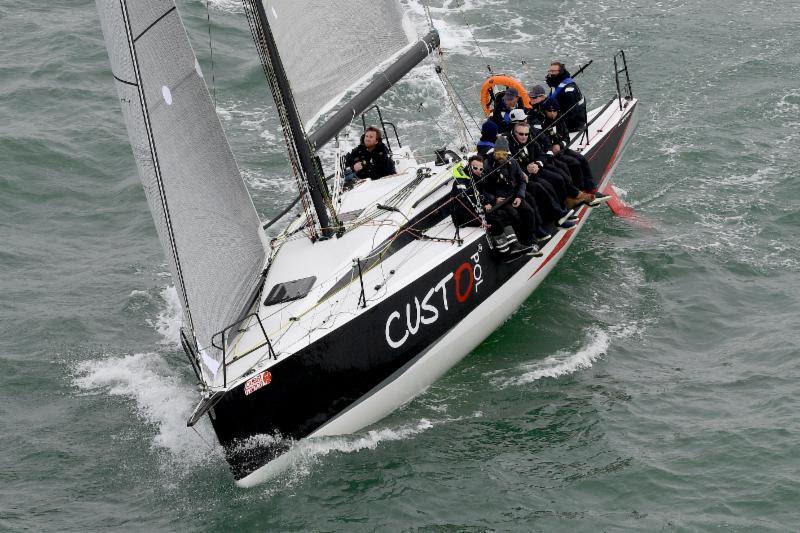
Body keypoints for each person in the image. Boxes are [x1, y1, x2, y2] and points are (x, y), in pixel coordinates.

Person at [450, 155, 531, 255]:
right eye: (475, 168)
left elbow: (482, 194)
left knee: (502, 213)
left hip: (477, 211)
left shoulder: (477, 179)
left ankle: (515, 245)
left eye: (480, 169)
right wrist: (479, 217)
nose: (478, 171)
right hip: (464, 217)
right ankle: (505, 253)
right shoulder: (460, 183)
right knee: (495, 220)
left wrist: (488, 202)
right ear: (468, 167)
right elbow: (463, 206)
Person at [508, 121, 581, 226]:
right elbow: (509, 167)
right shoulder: (509, 146)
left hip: (537, 170)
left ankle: (563, 209)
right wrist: (525, 169)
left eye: (526, 134)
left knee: (559, 178)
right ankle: (558, 217)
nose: (524, 137)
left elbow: (542, 155)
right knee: (545, 187)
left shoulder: (530, 140)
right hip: (524, 177)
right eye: (521, 134)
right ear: (514, 133)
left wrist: (537, 164)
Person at [482, 136, 549, 245]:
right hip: (500, 200)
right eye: (498, 154)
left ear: (507, 153)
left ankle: (531, 236)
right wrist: (494, 199)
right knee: (514, 215)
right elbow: (482, 188)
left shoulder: (512, 162)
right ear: (494, 153)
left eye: (503, 154)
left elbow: (522, 181)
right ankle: (522, 241)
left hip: (512, 195)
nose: (500, 157)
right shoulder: (487, 166)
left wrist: (519, 196)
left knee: (529, 210)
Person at [540, 99, 609, 205]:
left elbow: (567, 138)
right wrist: (551, 149)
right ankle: (581, 194)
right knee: (573, 163)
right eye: (549, 111)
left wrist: (560, 145)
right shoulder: (542, 124)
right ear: (545, 111)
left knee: (582, 159)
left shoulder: (560, 120)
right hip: (553, 154)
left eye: (554, 110)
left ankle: (591, 190)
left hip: (562, 149)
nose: (552, 113)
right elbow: (541, 142)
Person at [545, 61, 587, 132]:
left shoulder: (569, 90)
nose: (551, 73)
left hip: (572, 125)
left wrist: (553, 124)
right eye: (550, 71)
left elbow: (571, 112)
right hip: (561, 118)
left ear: (560, 72)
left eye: (553, 71)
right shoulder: (556, 85)